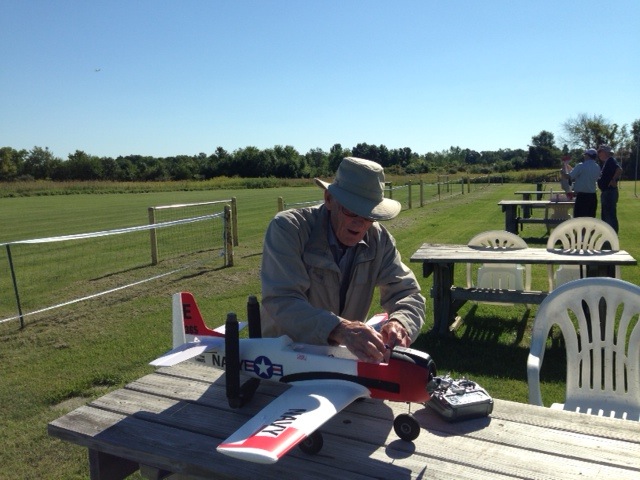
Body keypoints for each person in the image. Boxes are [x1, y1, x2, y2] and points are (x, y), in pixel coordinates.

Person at [260, 157, 425, 363]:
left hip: (342, 360)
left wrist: (401, 323)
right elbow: (282, 299)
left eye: (370, 215)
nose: (360, 222)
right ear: (329, 199)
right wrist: (340, 329)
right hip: (282, 360)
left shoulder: (379, 238)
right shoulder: (289, 228)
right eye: (351, 210)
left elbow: (408, 294)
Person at [561, 149, 601, 217]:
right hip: (593, 197)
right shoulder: (597, 167)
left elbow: (568, 176)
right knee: (590, 219)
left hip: (582, 197)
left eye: (585, 155)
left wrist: (562, 172)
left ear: (588, 156)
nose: (584, 156)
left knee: (579, 220)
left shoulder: (581, 166)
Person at [597, 144, 622, 232]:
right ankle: (608, 236)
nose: (598, 153)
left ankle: (611, 236)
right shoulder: (607, 162)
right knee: (606, 214)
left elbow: (619, 169)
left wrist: (613, 179)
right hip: (607, 191)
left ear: (605, 152)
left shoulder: (611, 160)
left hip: (609, 192)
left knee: (609, 215)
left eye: (600, 151)